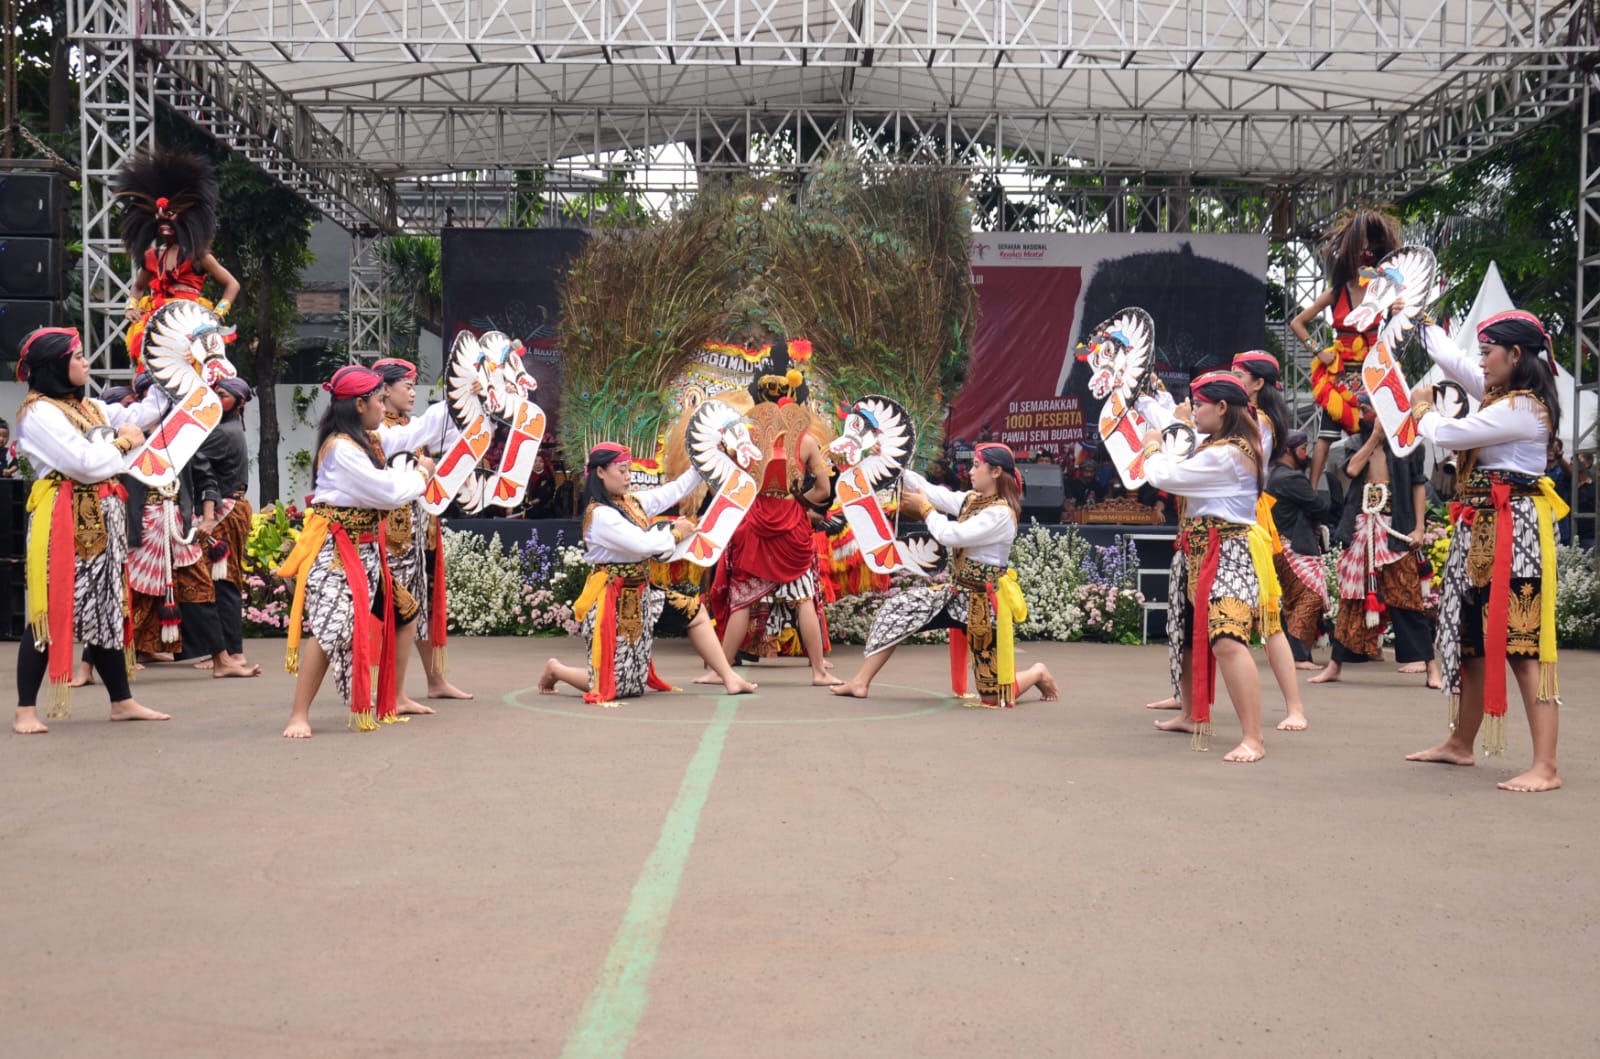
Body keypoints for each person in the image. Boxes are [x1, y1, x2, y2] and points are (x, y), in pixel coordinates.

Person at [1404, 311, 1567, 792]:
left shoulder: (1523, 408)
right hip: (1483, 530)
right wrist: (1417, 321)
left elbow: (1448, 435)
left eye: (1488, 352)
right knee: (1471, 643)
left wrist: (1420, 408)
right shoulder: (1503, 396)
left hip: (1517, 537)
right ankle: (1460, 743)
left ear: (1514, 355)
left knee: (1523, 647)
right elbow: (1454, 362)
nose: (1481, 362)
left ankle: (1547, 766)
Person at [12, 327, 169, 733]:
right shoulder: (39, 412)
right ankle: (25, 710)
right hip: (61, 519)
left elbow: (142, 416)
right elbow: (83, 464)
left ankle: (122, 701)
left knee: (107, 609)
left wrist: (176, 373)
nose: (86, 362)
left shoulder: (92, 407)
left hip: (103, 516)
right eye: (78, 356)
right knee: (49, 608)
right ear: (55, 366)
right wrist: (123, 444)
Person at [831, 443, 1058, 707]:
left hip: (984, 605)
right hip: (956, 595)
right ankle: (860, 682)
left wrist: (926, 510)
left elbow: (950, 535)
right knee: (899, 609)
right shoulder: (971, 500)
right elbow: (929, 491)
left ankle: (1037, 672)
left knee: (994, 697)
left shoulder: (1001, 515)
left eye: (976, 465)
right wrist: (888, 461)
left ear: (995, 472)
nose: (970, 471)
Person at [275, 366, 434, 738]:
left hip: (364, 551)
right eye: (380, 400)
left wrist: (464, 405)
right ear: (360, 404)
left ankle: (395, 695)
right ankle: (298, 714)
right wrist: (422, 475)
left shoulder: (364, 439)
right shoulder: (342, 449)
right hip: (337, 552)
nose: (384, 406)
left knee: (404, 611)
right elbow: (388, 493)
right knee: (331, 627)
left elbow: (415, 432)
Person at [538, 443, 757, 702]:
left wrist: (708, 458)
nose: (628, 476)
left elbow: (673, 491)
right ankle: (557, 669)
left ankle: (729, 677)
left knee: (694, 612)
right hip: (614, 601)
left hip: (643, 593)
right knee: (619, 684)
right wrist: (677, 533)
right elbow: (643, 545)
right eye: (621, 470)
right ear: (600, 472)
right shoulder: (600, 516)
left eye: (629, 470)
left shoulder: (632, 502)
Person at [1137, 371, 1268, 763]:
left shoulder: (1227, 454)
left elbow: (1166, 473)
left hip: (1229, 552)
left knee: (1227, 639)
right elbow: (1177, 432)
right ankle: (1193, 714)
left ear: (1223, 408)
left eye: (1198, 405)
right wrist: (1148, 396)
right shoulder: (1217, 444)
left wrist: (1150, 448)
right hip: (1201, 550)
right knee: (1190, 634)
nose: (1193, 412)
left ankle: (1254, 738)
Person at [709, 346, 838, 686]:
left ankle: (722, 671)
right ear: (792, 397)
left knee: (742, 601)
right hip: (792, 524)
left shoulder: (746, 437)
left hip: (755, 521)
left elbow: (722, 485)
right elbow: (824, 491)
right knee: (803, 598)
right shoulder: (807, 441)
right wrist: (799, 502)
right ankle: (818, 672)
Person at [1311, 399, 1441, 689]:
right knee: (1352, 598)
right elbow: (1352, 471)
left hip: (1395, 529)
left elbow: (1418, 484)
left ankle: (1432, 668)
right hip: (1362, 528)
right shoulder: (1357, 443)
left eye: (1365, 410)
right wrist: (1374, 438)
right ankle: (1335, 666)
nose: (1360, 415)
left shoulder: (1409, 444)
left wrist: (1419, 527)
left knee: (1407, 598)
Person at [372, 357, 473, 707]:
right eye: (407, 386)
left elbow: (451, 434)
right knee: (396, 610)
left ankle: (435, 679)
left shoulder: (406, 426)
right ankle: (386, 687)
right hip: (391, 534)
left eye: (415, 385)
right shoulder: (377, 431)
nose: (413, 392)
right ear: (384, 389)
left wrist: (469, 401)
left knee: (422, 606)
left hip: (419, 530)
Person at [1290, 207, 1402, 494]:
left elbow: (1403, 323)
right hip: (1339, 374)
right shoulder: (1336, 291)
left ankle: (1383, 494)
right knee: (1325, 439)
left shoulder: (1384, 290)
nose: (1364, 257)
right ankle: (1312, 494)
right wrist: (1318, 351)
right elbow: (1298, 323)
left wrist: (1399, 310)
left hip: (1374, 372)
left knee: (1378, 433)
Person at [1230, 350, 1311, 731]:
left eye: (1237, 374)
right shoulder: (1245, 417)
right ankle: (1187, 704)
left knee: (1269, 618)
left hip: (1246, 525)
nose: (1231, 378)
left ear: (1257, 383)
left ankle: (1294, 707)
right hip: (1225, 521)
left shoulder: (1256, 421)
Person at [113, 149, 241, 370]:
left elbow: (232, 284)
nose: (163, 221)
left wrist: (219, 313)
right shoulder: (152, 257)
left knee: (190, 363)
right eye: (159, 216)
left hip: (188, 319)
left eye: (170, 215)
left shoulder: (199, 256)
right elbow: (138, 286)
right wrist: (130, 307)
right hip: (156, 318)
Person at [189, 376, 261, 676]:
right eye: (214, 394)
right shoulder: (226, 429)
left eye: (222, 395)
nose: (216, 399)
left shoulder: (222, 433)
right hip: (231, 507)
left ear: (239, 403)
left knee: (223, 580)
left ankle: (232, 651)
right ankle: (227, 649)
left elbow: (189, 453)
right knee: (221, 580)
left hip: (225, 511)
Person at [1265, 430, 1332, 668]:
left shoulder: (1276, 476)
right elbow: (1320, 506)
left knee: (1295, 600)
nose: (1307, 454)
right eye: (1304, 449)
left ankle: (1288, 652)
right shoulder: (1290, 479)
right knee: (1309, 597)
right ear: (1288, 451)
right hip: (1293, 547)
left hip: (1283, 546)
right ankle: (1298, 656)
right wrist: (1313, 486)